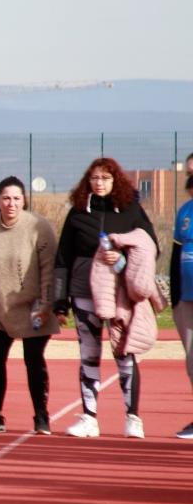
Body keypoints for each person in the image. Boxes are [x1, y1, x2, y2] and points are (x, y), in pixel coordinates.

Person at [53, 157, 157, 439]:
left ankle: (133, 417)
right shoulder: (77, 213)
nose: (99, 183)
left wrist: (122, 258)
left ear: (116, 181)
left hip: (118, 295)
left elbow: (151, 248)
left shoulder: (131, 210)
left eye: (105, 178)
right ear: (88, 181)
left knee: (124, 353)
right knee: (88, 354)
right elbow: (62, 258)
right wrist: (59, 302)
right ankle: (89, 418)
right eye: (94, 178)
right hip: (83, 293)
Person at [0, 176, 60, 436]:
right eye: (6, 198)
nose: (11, 204)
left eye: (16, 198)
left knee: (34, 360)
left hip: (34, 307)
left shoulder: (39, 227)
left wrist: (45, 306)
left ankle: (41, 415)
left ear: (24, 200)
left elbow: (49, 269)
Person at [171, 154, 193, 439]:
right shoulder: (185, 212)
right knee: (192, 360)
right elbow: (176, 254)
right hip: (186, 298)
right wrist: (175, 296)